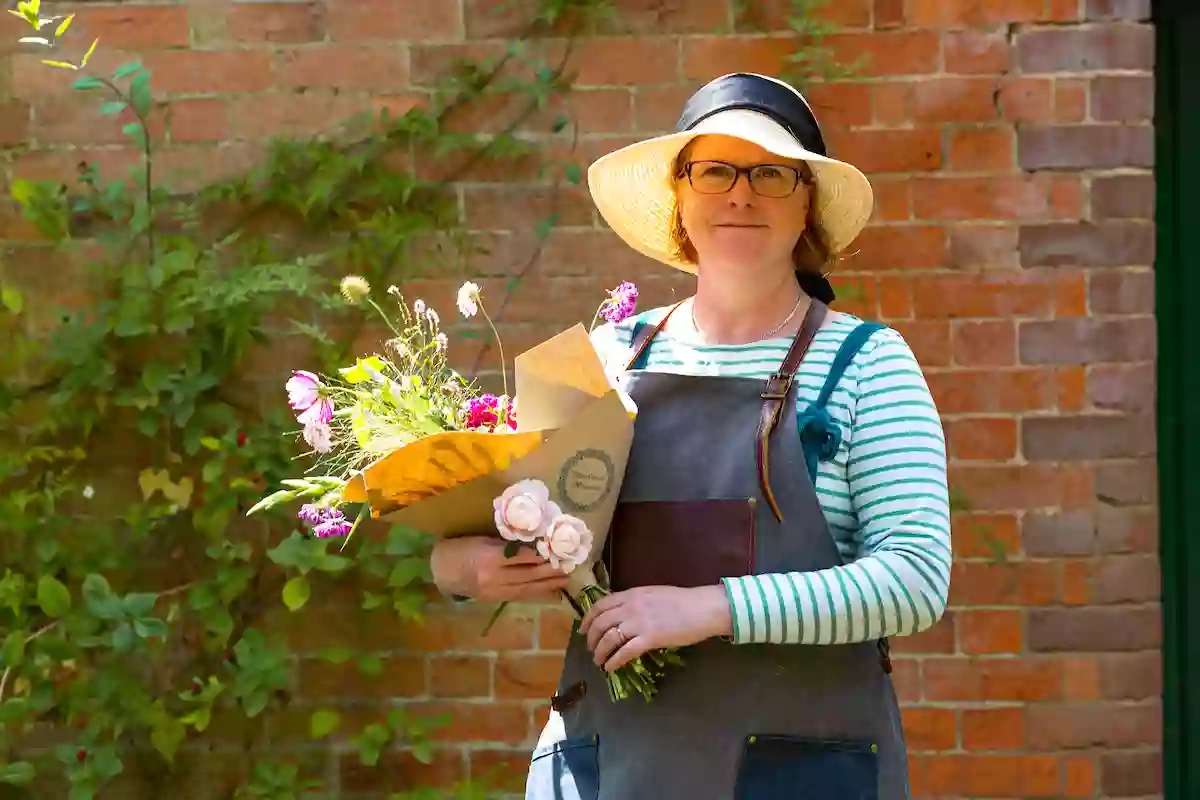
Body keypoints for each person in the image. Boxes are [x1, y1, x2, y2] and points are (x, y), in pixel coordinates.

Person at [429, 72, 950, 800]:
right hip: (611, 768)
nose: (739, 194)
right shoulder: (607, 361)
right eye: (715, 171)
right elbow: (476, 541)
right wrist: (465, 571)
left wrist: (708, 608)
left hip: (803, 774)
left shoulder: (868, 363)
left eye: (770, 173)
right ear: (680, 196)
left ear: (808, 206)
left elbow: (915, 581)